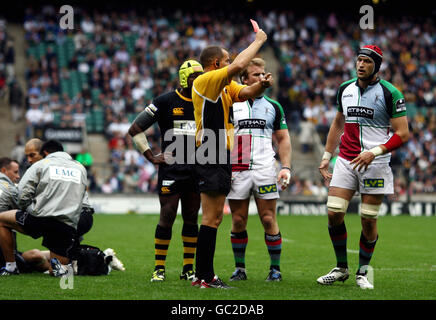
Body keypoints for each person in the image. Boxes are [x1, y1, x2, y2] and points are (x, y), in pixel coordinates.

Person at [317, 45, 409, 289]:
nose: (360, 65)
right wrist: (327, 155)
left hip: (375, 163)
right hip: (346, 160)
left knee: (368, 220)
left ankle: (362, 272)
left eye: (367, 62)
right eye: (358, 60)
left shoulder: (391, 93)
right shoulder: (344, 89)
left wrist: (374, 152)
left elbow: (403, 134)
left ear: (376, 66)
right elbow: (338, 123)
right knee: (334, 212)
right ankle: (341, 268)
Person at [192, 27, 273, 289]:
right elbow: (240, 64)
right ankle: (206, 277)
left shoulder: (225, 87)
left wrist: (261, 84)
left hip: (219, 151)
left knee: (213, 218)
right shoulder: (207, 81)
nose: (231, 65)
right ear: (216, 64)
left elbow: (248, 93)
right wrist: (259, 41)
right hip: (211, 149)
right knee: (211, 218)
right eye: (226, 61)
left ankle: (201, 275)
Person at [128, 60, 204, 282]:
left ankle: (188, 269)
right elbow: (135, 129)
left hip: (196, 170)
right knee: (167, 215)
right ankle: (159, 269)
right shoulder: (164, 101)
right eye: (193, 77)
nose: (197, 81)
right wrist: (151, 156)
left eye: (200, 77)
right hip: (171, 170)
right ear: (183, 78)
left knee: (191, 218)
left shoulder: (205, 102)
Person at [227, 58, 292, 282]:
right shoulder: (232, 104)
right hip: (238, 167)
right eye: (255, 75)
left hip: (265, 167)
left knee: (267, 218)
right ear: (244, 79)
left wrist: (285, 167)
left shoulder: (274, 106)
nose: (261, 78)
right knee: (238, 220)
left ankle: (275, 269)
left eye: (263, 74)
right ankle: (240, 269)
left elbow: (283, 139)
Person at [0, 140, 88, 276]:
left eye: (32, 155)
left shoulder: (41, 165)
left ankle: (11, 267)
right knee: (58, 272)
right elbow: (82, 196)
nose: (29, 160)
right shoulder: (80, 168)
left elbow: (22, 194)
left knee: (1, 220)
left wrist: (29, 209)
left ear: (45, 153)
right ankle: (99, 263)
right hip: (66, 223)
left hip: (41, 219)